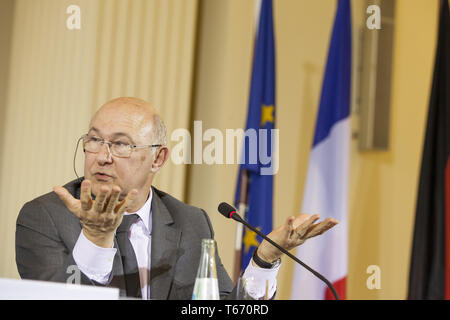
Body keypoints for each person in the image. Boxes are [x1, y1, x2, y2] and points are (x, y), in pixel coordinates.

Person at [15, 97, 338, 299]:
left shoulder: (190, 221)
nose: (102, 156)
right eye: (94, 140)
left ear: (158, 159)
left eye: (121, 144)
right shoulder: (44, 216)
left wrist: (265, 259)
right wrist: (97, 239)